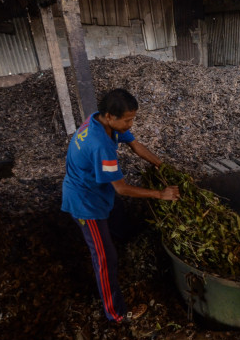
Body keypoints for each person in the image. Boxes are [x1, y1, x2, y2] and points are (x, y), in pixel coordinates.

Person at [62, 88, 180, 323]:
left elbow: (135, 145)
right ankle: (116, 314)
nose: (130, 124)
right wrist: (160, 193)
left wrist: (162, 166)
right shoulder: (101, 145)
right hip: (87, 204)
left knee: (120, 220)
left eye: (132, 118)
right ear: (109, 116)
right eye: (127, 120)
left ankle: (126, 240)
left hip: (100, 191)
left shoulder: (102, 121)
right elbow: (122, 188)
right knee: (105, 258)